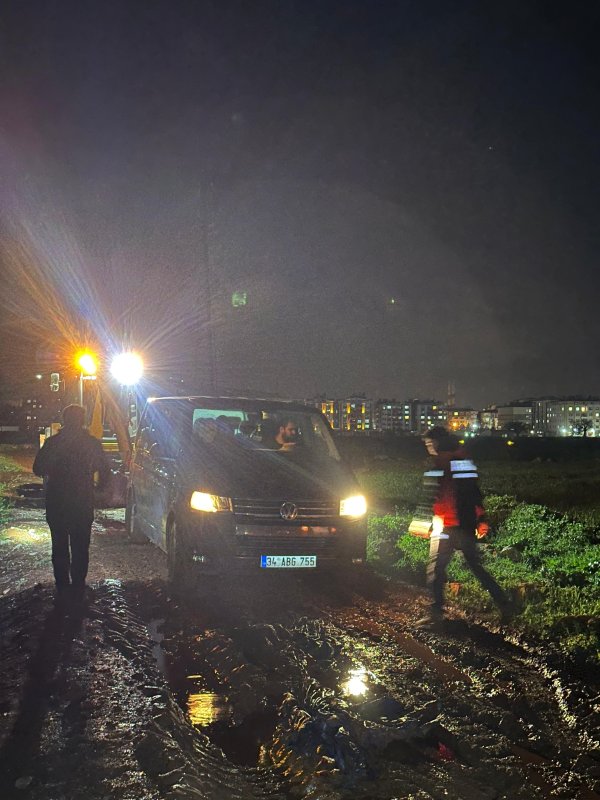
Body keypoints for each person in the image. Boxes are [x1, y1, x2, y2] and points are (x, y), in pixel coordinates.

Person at [410, 426, 512, 626]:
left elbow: (434, 496)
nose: (428, 447)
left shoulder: (441, 464)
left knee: (436, 569)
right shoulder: (459, 460)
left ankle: (436, 613)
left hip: (448, 525)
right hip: (460, 524)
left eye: (429, 443)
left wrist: (422, 522)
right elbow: (473, 492)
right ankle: (504, 604)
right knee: (473, 566)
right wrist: (481, 518)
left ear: (436, 442)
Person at [33, 404, 111, 604]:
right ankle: (78, 585)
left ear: (64, 420)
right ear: (83, 420)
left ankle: (62, 586)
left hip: (57, 501)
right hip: (82, 501)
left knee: (59, 545)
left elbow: (37, 468)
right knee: (80, 545)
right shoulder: (91, 443)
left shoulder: (53, 443)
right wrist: (98, 489)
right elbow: (105, 471)